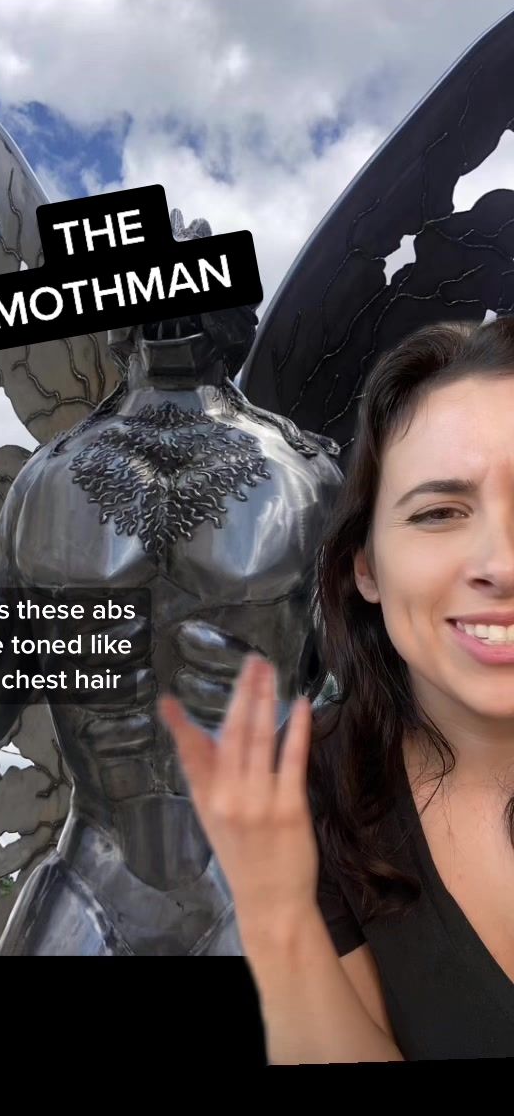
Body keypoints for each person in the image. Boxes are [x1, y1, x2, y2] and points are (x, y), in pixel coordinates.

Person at [160, 315, 514, 1062]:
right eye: (439, 513)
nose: (501, 564)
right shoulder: (303, 790)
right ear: (366, 569)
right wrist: (278, 915)